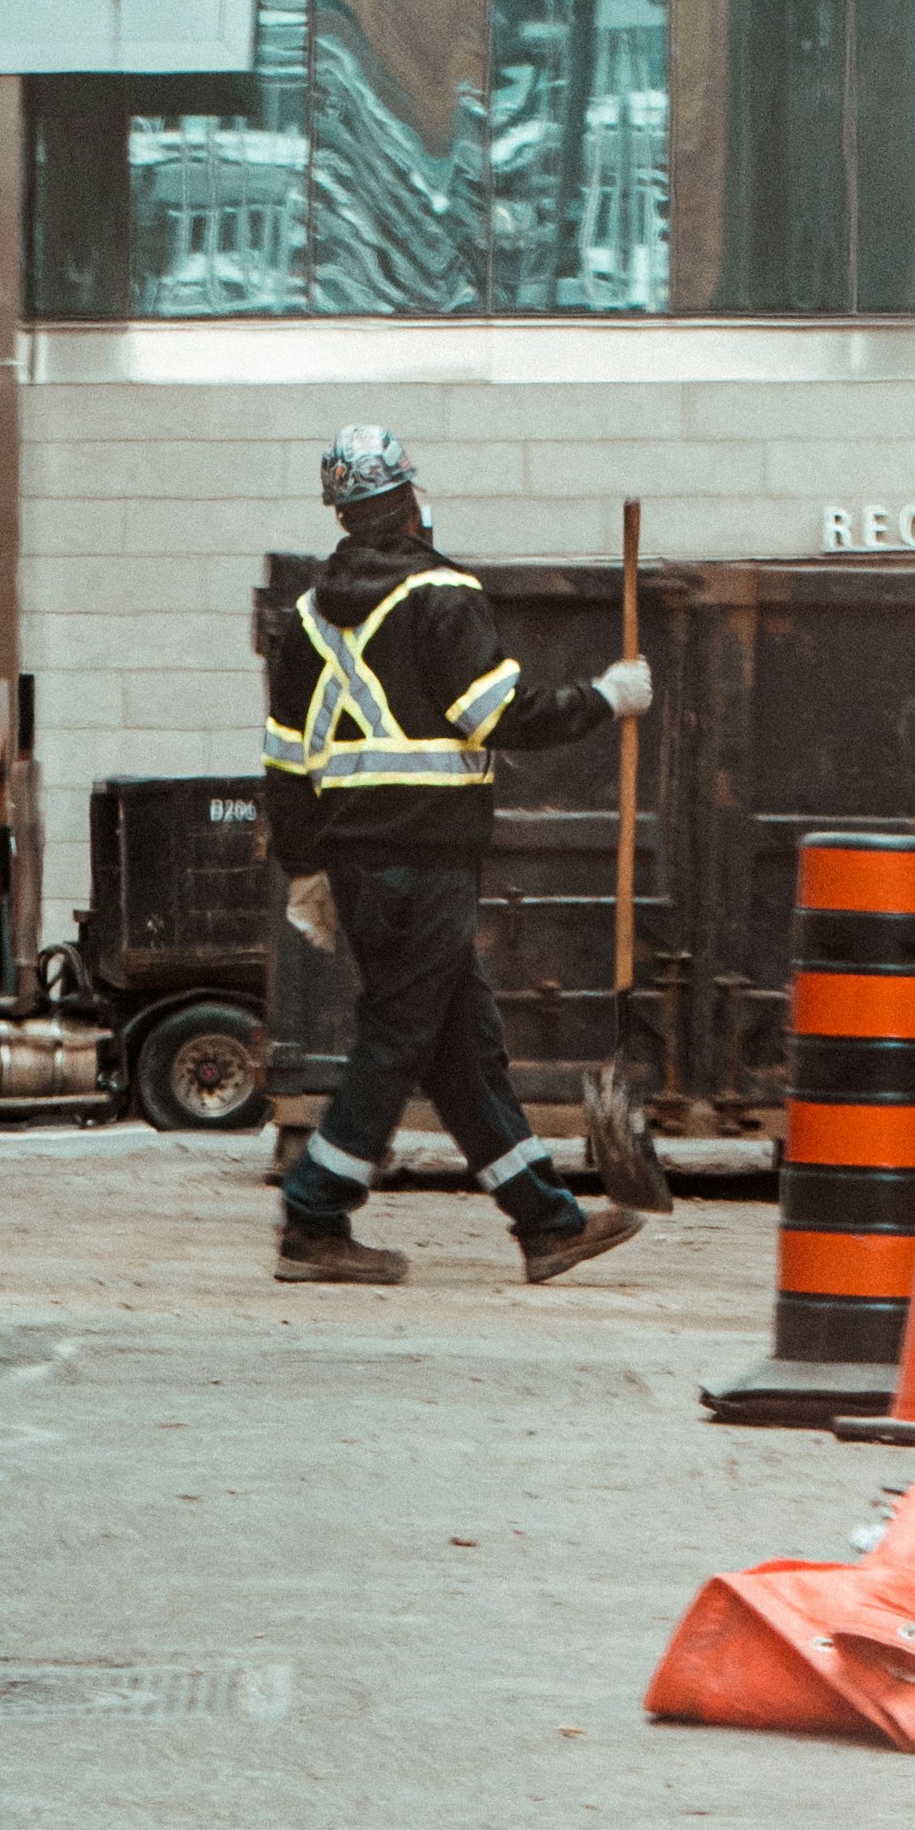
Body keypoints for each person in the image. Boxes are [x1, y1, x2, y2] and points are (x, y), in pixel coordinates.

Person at [260, 422, 653, 1288]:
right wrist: (607, 697)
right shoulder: (443, 594)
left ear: (342, 513)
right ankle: (313, 1214)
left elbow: (286, 758)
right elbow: (497, 716)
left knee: (461, 1046)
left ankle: (546, 1224)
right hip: (428, 858)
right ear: (408, 501)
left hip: (359, 863)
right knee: (400, 1035)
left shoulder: (306, 616)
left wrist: (304, 869)